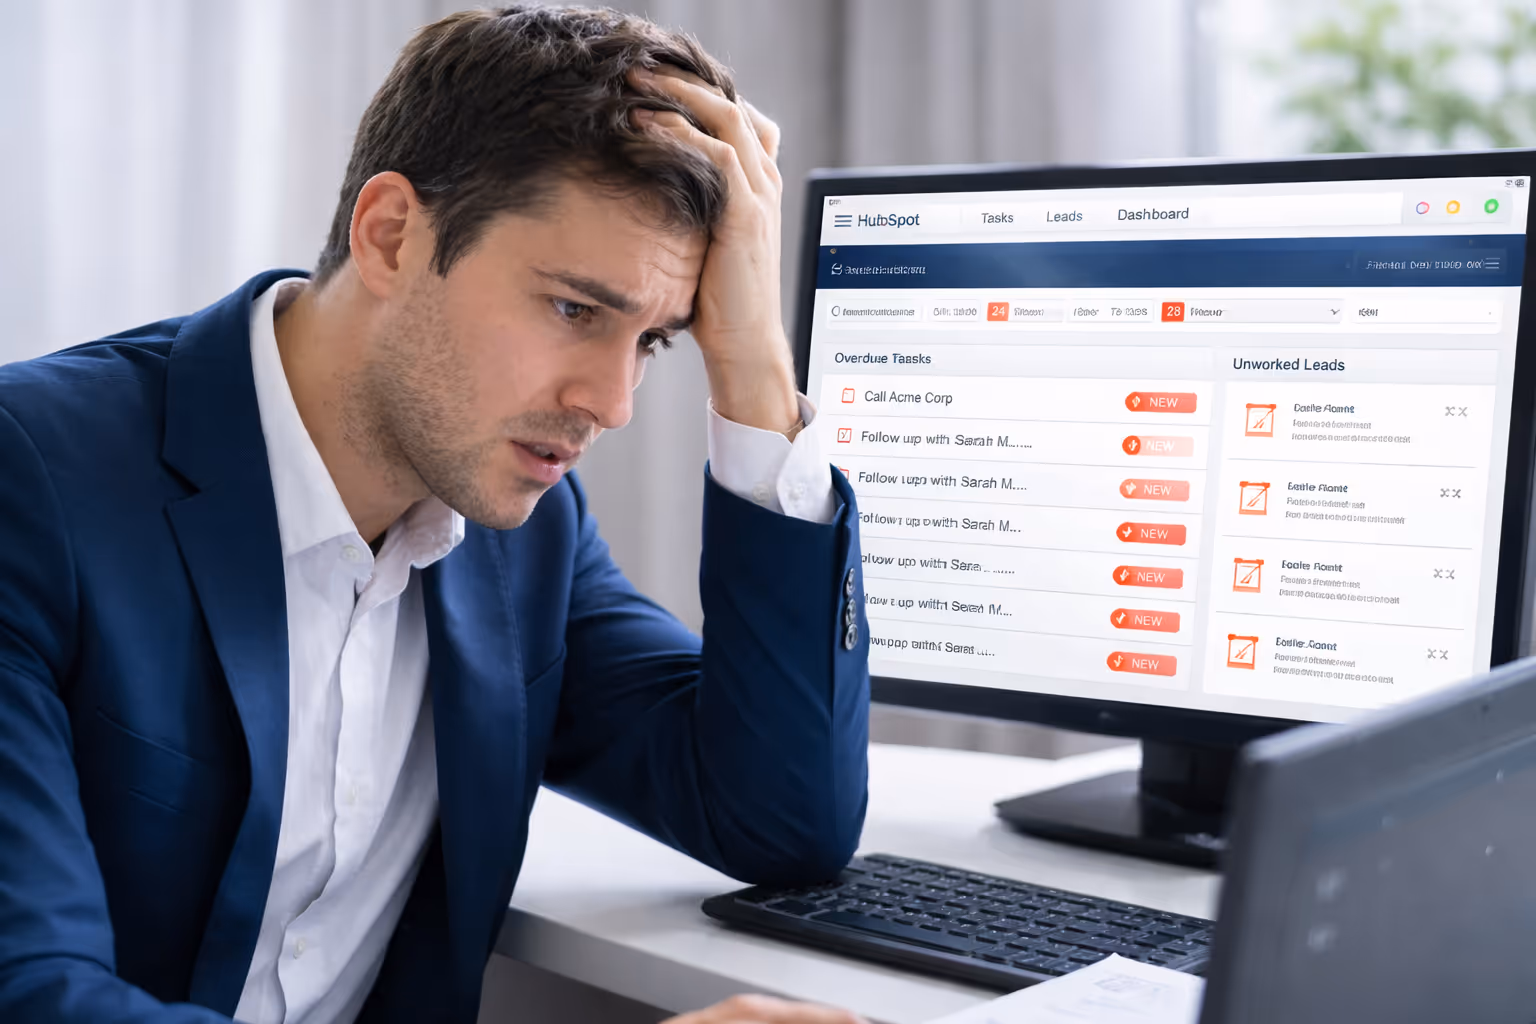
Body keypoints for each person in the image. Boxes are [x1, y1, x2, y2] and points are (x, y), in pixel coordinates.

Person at [0, 6, 871, 1023]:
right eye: (575, 310)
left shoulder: (522, 532)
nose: (613, 403)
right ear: (391, 235)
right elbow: (32, 995)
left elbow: (782, 818)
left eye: (656, 341)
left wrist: (754, 365)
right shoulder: (34, 480)